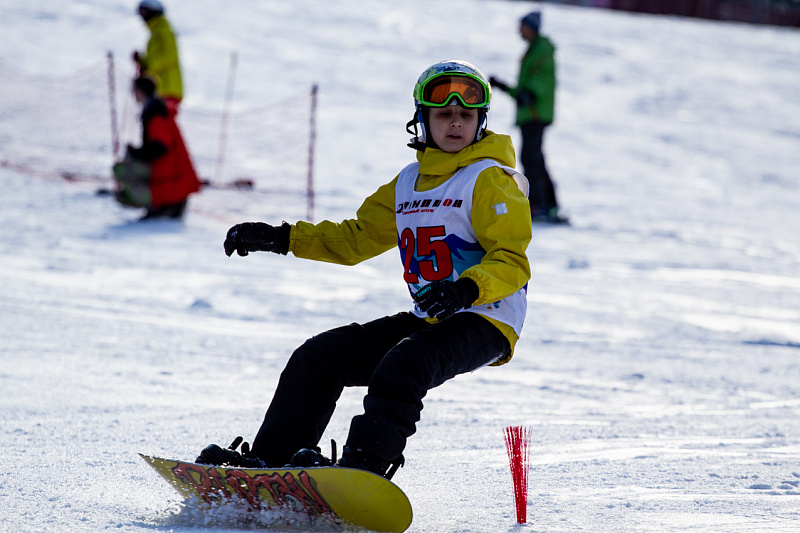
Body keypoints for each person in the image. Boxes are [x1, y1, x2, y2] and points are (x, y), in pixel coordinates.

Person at [195, 60, 532, 479]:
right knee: (319, 358)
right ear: (422, 119)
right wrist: (283, 238)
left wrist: (464, 289)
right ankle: (270, 463)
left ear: (481, 122)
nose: (455, 123)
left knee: (404, 364)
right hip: (433, 315)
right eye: (444, 113)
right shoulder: (409, 182)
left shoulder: (489, 179)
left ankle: (362, 471)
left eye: (466, 115)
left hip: (486, 317)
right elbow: (356, 239)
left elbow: (511, 259)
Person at [490, 11, 566, 224]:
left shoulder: (541, 50)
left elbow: (542, 78)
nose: (519, 30)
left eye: (522, 26)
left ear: (532, 27)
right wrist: (504, 87)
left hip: (535, 113)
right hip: (532, 112)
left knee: (531, 158)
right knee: (535, 158)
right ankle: (549, 205)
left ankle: (539, 205)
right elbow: (524, 89)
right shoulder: (534, 49)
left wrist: (531, 93)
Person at [116, 76, 200, 220]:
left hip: (170, 178)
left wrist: (137, 152)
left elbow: (160, 146)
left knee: (122, 170)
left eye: (134, 90)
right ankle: (164, 204)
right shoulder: (156, 108)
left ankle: (165, 205)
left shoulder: (156, 112)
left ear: (140, 91)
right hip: (172, 176)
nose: (133, 94)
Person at [133, 0, 183, 116]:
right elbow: (156, 59)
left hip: (168, 88)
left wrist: (148, 67)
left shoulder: (163, 31)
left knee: (160, 122)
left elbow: (169, 56)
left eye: (144, 12)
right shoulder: (156, 33)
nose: (143, 17)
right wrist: (141, 61)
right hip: (159, 89)